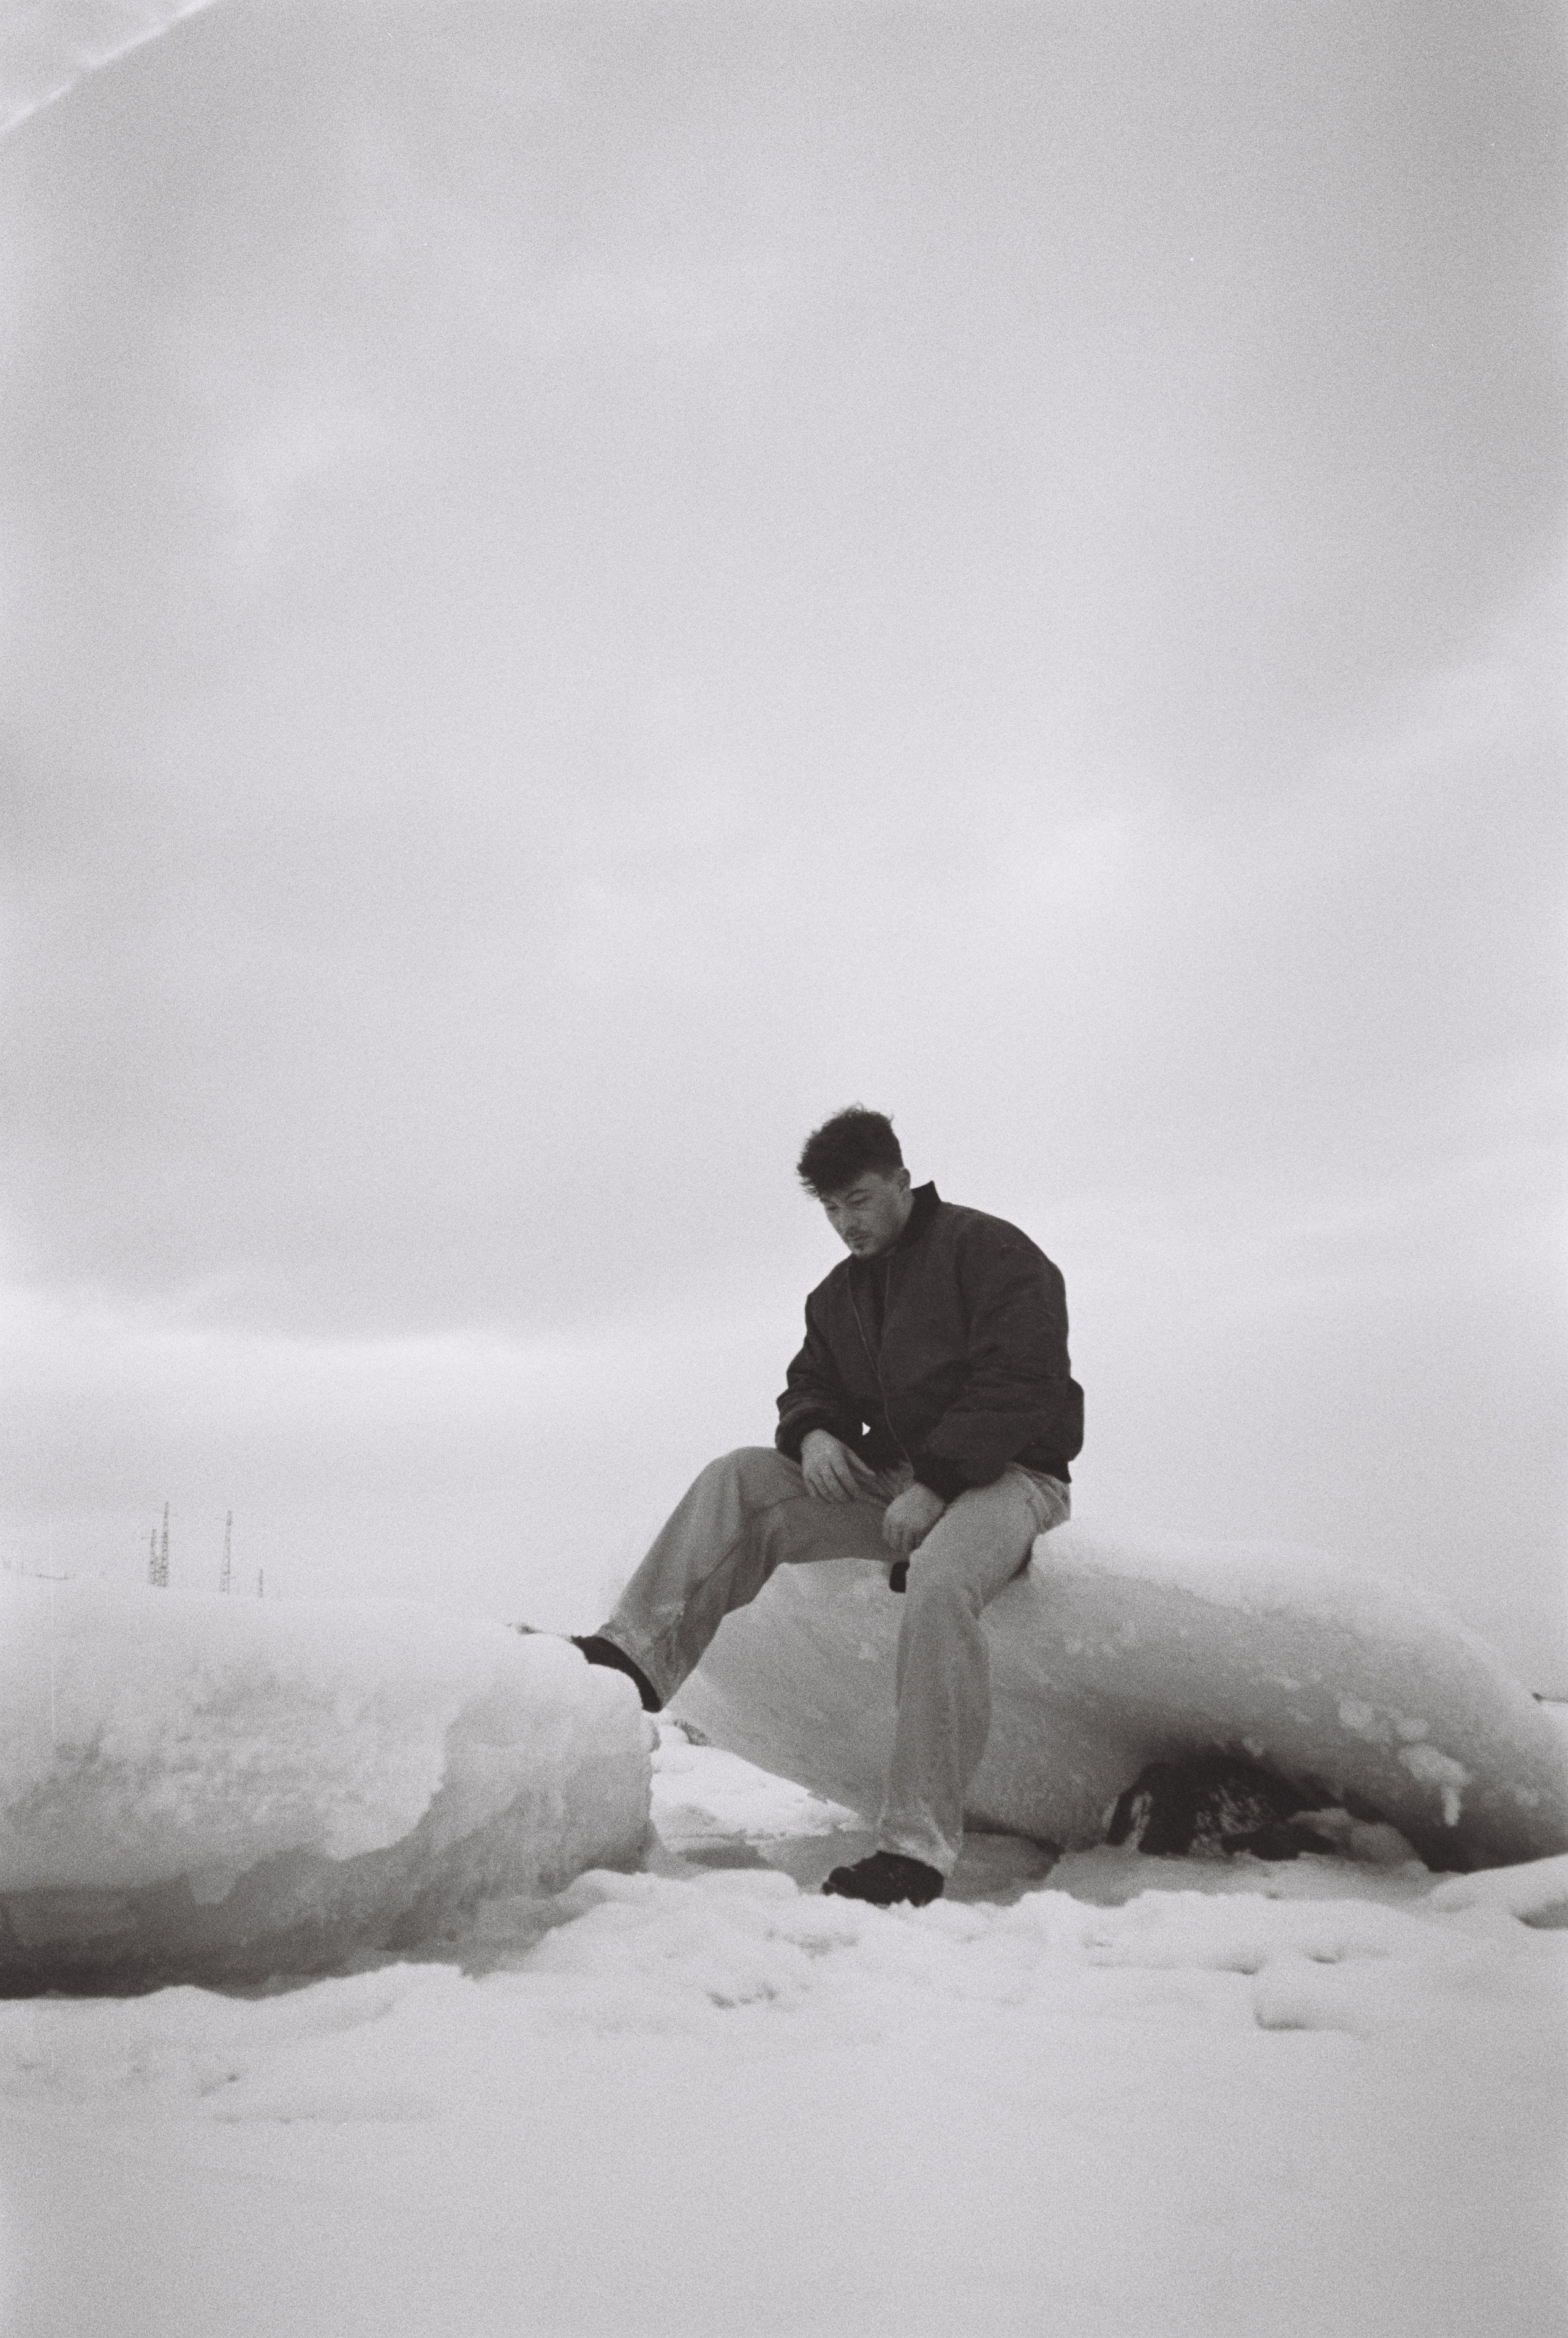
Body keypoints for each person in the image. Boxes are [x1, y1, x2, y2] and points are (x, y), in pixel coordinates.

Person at [571, 1106, 1084, 1906]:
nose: (847, 1223)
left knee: (942, 1578)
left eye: (860, 1200)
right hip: (904, 1481)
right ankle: (634, 1658)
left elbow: (1023, 1383)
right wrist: (812, 1434)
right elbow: (810, 1384)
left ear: (902, 1181)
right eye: (833, 1209)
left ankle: (915, 1850)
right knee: (740, 1476)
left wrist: (939, 1483)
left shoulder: (990, 1253)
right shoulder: (838, 1297)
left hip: (1012, 1476)